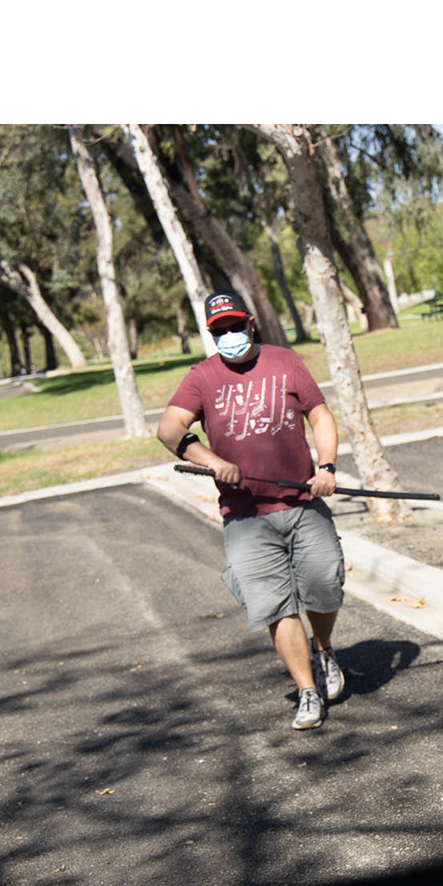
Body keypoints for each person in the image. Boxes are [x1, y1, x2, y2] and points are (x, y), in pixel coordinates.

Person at [158, 292, 348, 731]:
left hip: (302, 501)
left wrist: (327, 467)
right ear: (211, 335)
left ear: (251, 323)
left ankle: (323, 649)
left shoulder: (285, 361)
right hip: (245, 516)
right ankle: (307, 689)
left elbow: (320, 416)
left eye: (235, 326)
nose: (229, 335)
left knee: (324, 585)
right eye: (219, 331)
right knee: (275, 606)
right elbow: (169, 429)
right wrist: (212, 461)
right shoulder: (201, 377)